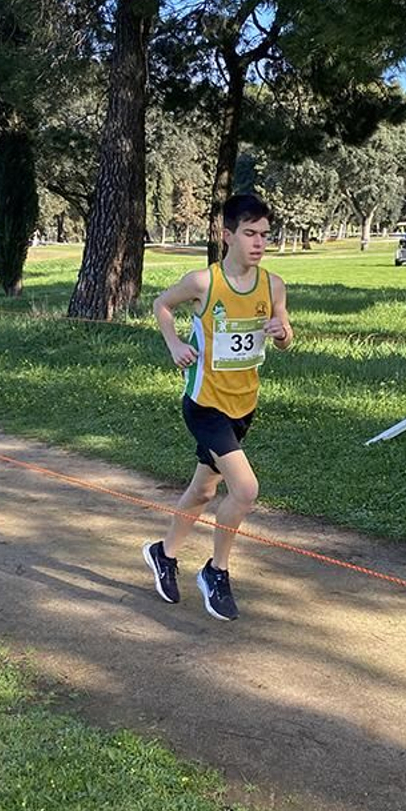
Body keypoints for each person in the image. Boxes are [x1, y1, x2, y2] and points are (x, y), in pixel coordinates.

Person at [142, 193, 292, 621]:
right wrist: (174, 344)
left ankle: (164, 553)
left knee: (204, 490)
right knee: (245, 490)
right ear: (227, 236)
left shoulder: (273, 285)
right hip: (205, 405)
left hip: (243, 407)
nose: (259, 243)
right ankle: (216, 570)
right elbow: (161, 305)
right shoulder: (203, 283)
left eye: (265, 234)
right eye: (249, 233)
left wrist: (282, 332)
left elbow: (285, 338)